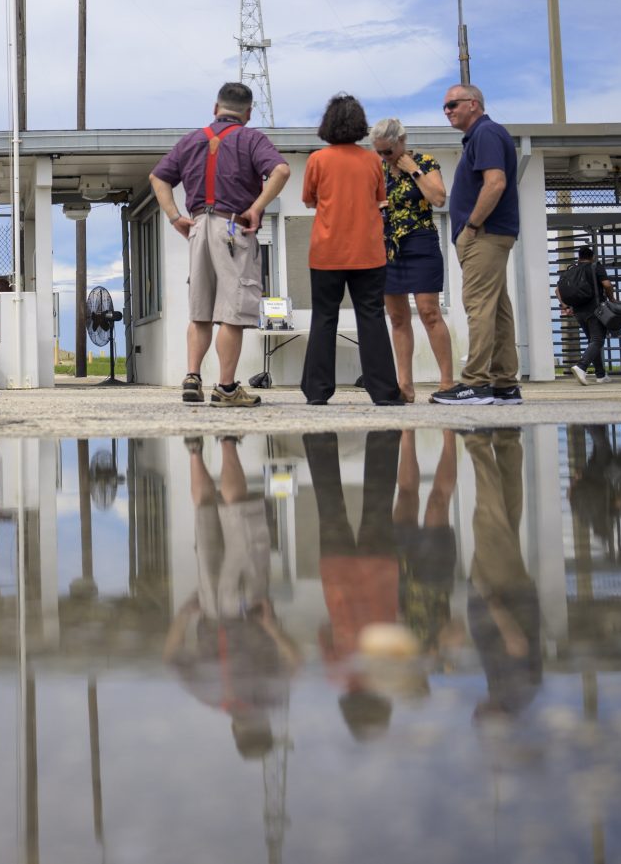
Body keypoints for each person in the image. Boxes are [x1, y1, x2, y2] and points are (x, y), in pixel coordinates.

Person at [148, 81, 291, 408]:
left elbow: (159, 177)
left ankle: (192, 378)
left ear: (216, 109)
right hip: (233, 229)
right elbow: (281, 170)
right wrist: (256, 207)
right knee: (232, 313)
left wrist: (174, 217)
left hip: (198, 226)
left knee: (199, 311)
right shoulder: (252, 138)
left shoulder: (192, 140)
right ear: (248, 113)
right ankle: (226, 388)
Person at [165, 436, 300, 759]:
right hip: (211, 609)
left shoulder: (268, 696)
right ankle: (195, 451)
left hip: (250, 608)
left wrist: (271, 628)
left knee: (241, 519)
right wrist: (185, 616)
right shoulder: (211, 697)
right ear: (235, 730)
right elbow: (172, 658)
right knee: (206, 516)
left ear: (264, 726)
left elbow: (295, 660)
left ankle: (227, 444)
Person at [299, 94, 403, 406]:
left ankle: (317, 391)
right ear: (360, 124)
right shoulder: (373, 160)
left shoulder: (317, 159)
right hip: (368, 251)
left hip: (327, 250)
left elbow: (308, 199)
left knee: (324, 317)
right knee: (371, 317)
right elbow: (378, 197)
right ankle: (384, 391)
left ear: (328, 124)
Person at [305, 429, 404, 741]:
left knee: (378, 502)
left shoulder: (390, 675)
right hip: (338, 576)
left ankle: (385, 438)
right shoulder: (338, 676)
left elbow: (400, 636)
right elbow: (323, 636)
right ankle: (318, 440)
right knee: (330, 506)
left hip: (381, 572)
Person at [433, 84, 522, 406]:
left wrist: (470, 226)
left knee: (478, 306)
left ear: (473, 104)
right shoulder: (483, 135)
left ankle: (476, 382)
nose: (447, 111)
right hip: (491, 234)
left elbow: (495, 182)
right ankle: (504, 383)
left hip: (485, 235)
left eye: (453, 104)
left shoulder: (485, 134)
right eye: (444, 106)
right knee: (497, 310)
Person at [372, 117, 455, 403]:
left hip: (420, 243)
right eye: (379, 151)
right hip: (387, 248)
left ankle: (447, 383)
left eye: (388, 151)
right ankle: (405, 386)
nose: (383, 156)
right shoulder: (377, 169)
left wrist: (414, 171)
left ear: (401, 142)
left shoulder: (425, 161)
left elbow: (439, 198)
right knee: (397, 318)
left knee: (429, 311)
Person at [464, 428, 542, 719]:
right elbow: (517, 645)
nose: (477, 709)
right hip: (501, 592)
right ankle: (478, 442)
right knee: (488, 517)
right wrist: (493, 606)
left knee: (506, 510)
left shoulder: (519, 696)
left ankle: (508, 439)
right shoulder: (512, 693)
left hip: (515, 592)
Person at [394, 429, 463, 658]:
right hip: (436, 580)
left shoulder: (399, 660)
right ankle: (449, 435)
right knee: (438, 503)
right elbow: (459, 629)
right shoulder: (441, 660)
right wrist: (444, 641)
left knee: (405, 495)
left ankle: (407, 432)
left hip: (401, 580)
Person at [559, 245, 617, 385]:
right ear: (592, 257)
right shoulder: (595, 267)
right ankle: (581, 366)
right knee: (598, 340)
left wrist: (565, 306)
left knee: (593, 341)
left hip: (578, 312)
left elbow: (557, 290)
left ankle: (601, 375)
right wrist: (612, 299)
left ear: (579, 257)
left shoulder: (571, 270)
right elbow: (607, 285)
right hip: (596, 310)